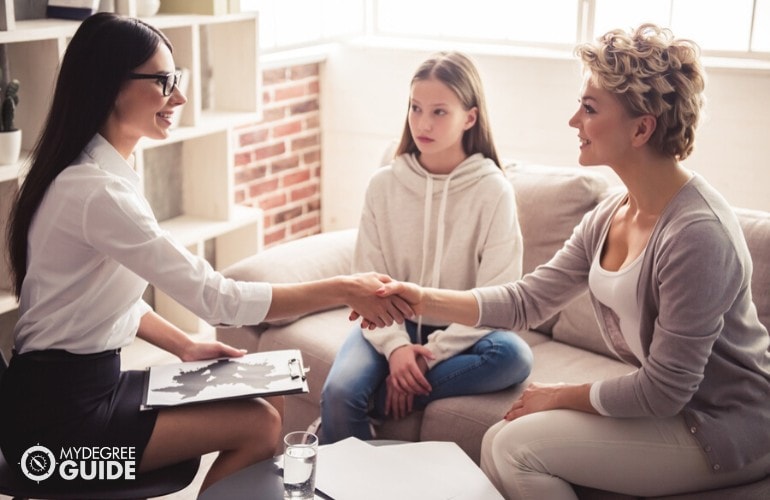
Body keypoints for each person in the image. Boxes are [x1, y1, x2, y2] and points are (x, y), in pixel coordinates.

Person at [0, 13, 409, 493]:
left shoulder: (98, 174)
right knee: (258, 424)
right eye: (164, 81)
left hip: (77, 390)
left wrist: (185, 346)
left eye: (178, 80)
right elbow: (219, 300)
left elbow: (96, 298)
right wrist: (342, 288)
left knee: (267, 398)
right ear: (112, 85)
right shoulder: (97, 192)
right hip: (57, 432)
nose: (180, 97)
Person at [365, 24, 770, 498]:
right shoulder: (612, 213)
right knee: (497, 437)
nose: (573, 120)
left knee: (517, 447)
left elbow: (665, 390)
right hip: (678, 412)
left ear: (642, 128)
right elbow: (526, 301)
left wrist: (559, 394)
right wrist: (418, 299)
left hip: (726, 428)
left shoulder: (697, 235)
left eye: (590, 108)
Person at [319, 51, 533, 444]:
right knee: (337, 393)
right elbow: (366, 278)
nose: (422, 123)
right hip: (387, 322)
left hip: (463, 326)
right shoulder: (384, 185)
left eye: (438, 112)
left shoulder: (493, 190)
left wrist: (427, 353)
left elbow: (498, 296)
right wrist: (398, 348)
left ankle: (380, 399)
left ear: (469, 118)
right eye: (415, 109)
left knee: (514, 356)